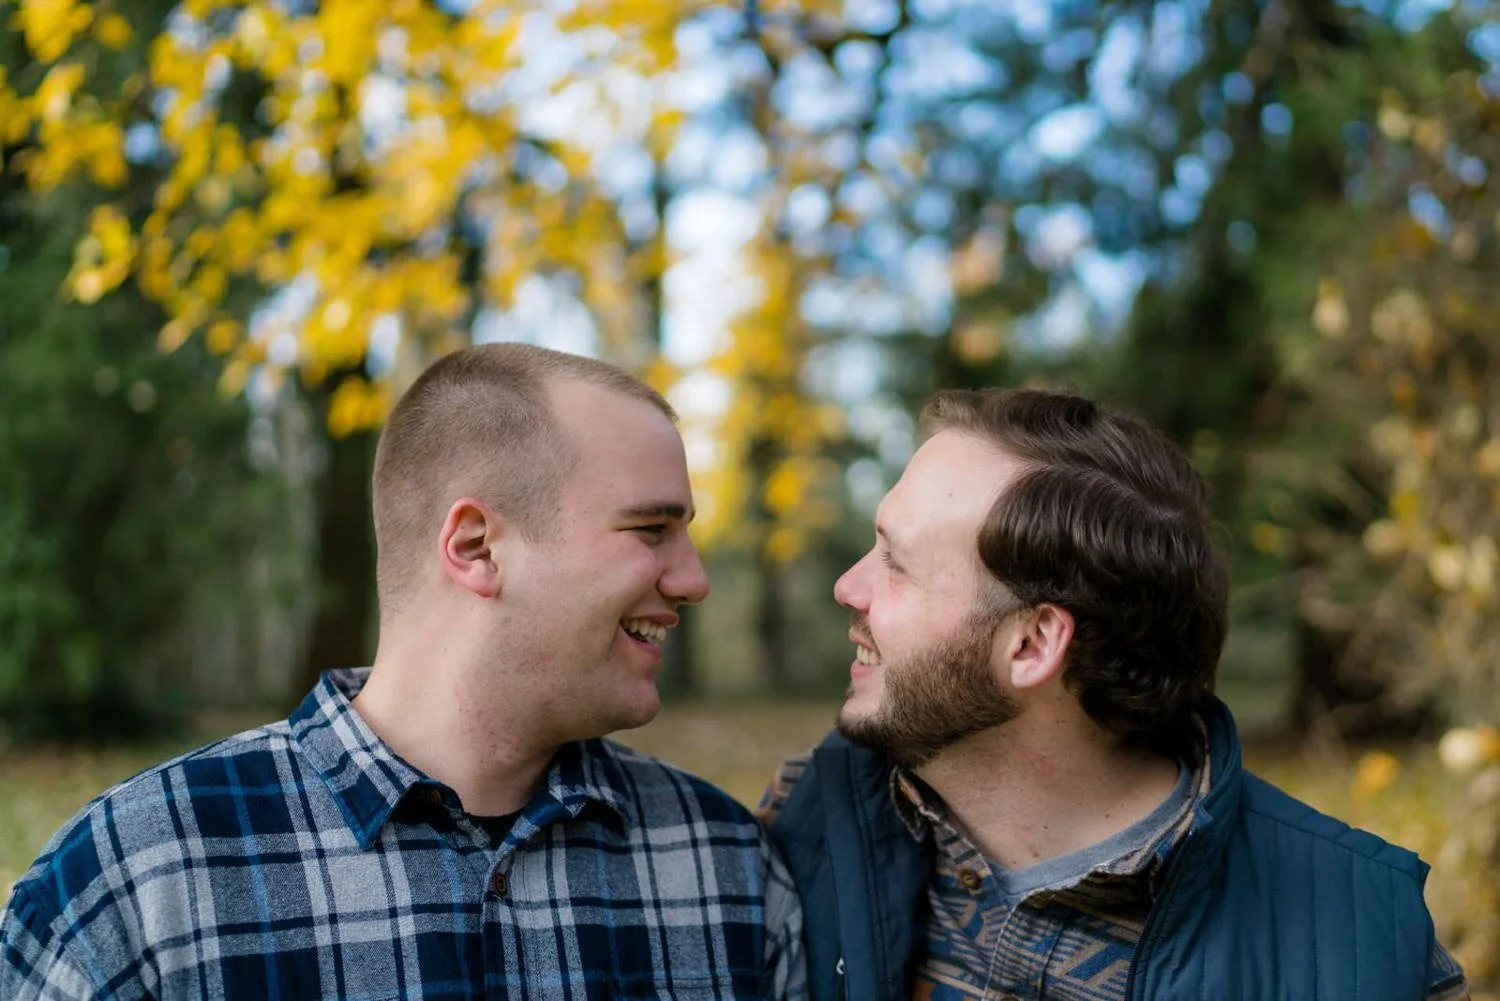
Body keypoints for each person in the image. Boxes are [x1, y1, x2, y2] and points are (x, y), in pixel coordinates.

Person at [2, 343, 807, 1000]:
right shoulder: (139, 877)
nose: (694, 578)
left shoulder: (727, 863)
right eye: (651, 529)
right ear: (475, 548)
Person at [760, 387, 1466, 1001]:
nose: (848, 587)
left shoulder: (1358, 941)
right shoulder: (812, 815)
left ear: (1033, 645)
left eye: (896, 562)